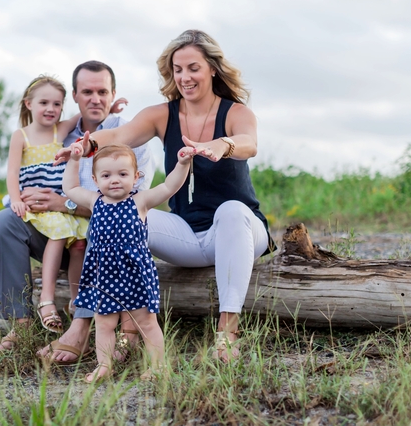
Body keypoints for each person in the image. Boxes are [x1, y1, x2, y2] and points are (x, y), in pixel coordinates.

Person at [44, 29, 275, 363]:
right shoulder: (163, 114)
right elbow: (120, 134)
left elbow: (249, 144)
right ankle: (113, 330)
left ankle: (227, 335)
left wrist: (219, 146)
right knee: (120, 215)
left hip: (239, 231)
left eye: (192, 68)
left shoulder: (235, 112)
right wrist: (86, 145)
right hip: (186, 235)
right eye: (177, 69)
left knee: (232, 210)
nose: (184, 77)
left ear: (212, 68)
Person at [0, 61, 155, 355]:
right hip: (58, 233)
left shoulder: (132, 136)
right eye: (87, 91)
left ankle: (82, 328)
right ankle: (20, 322)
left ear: (113, 94)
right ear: (75, 97)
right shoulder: (57, 133)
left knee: (102, 232)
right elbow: (26, 169)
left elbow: (130, 207)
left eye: (102, 91)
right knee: (5, 222)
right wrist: (29, 197)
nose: (95, 98)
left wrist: (63, 203)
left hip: (104, 240)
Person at [63, 142, 195, 381]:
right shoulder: (96, 202)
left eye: (123, 174)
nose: (115, 180)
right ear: (95, 179)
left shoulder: (140, 202)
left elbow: (169, 186)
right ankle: (104, 365)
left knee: (146, 322)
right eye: (106, 175)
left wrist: (183, 163)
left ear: (136, 177)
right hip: (104, 276)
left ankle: (158, 366)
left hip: (135, 275)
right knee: (103, 324)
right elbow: (70, 187)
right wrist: (74, 160)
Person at [6, 75, 88, 334]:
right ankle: (47, 299)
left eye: (57, 104)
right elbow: (11, 172)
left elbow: (84, 114)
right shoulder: (21, 136)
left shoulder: (59, 131)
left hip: (60, 203)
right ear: (28, 103)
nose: (51, 109)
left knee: (80, 243)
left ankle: (77, 301)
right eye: (44, 103)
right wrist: (16, 199)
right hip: (39, 206)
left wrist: (114, 104)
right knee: (59, 233)